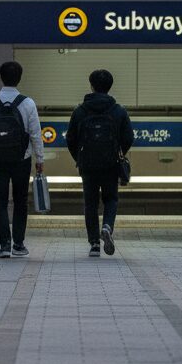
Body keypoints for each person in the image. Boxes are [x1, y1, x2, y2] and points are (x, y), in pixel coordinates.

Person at [0, 60, 44, 259]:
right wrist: (39, 158)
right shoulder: (27, 103)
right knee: (20, 200)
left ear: (1, 77)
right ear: (19, 78)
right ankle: (19, 244)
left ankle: (4, 245)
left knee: (0, 200)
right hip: (21, 158)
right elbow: (35, 134)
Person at [66, 69, 134, 259]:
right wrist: (118, 153)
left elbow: (70, 139)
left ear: (92, 86)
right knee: (111, 198)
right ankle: (107, 227)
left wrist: (79, 158)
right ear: (109, 87)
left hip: (87, 164)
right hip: (111, 163)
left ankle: (94, 244)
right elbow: (129, 137)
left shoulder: (80, 111)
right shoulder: (118, 111)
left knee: (90, 203)